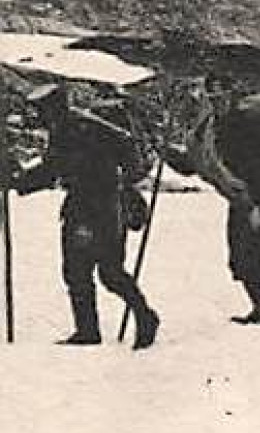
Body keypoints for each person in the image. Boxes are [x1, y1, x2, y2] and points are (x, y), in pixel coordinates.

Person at [4, 85, 159, 349]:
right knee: (78, 271)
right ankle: (88, 330)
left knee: (108, 272)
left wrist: (19, 182)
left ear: (54, 108)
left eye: (40, 110)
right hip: (85, 206)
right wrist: (19, 182)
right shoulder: (66, 128)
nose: (38, 116)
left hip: (101, 208)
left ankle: (145, 317)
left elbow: (54, 168)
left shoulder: (80, 128)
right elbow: (54, 169)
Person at [171, 76, 260, 326]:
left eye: (221, 96)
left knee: (252, 258)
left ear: (231, 94)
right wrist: (167, 154)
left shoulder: (248, 124)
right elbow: (196, 165)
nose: (217, 102)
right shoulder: (211, 128)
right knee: (239, 261)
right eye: (212, 98)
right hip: (241, 201)